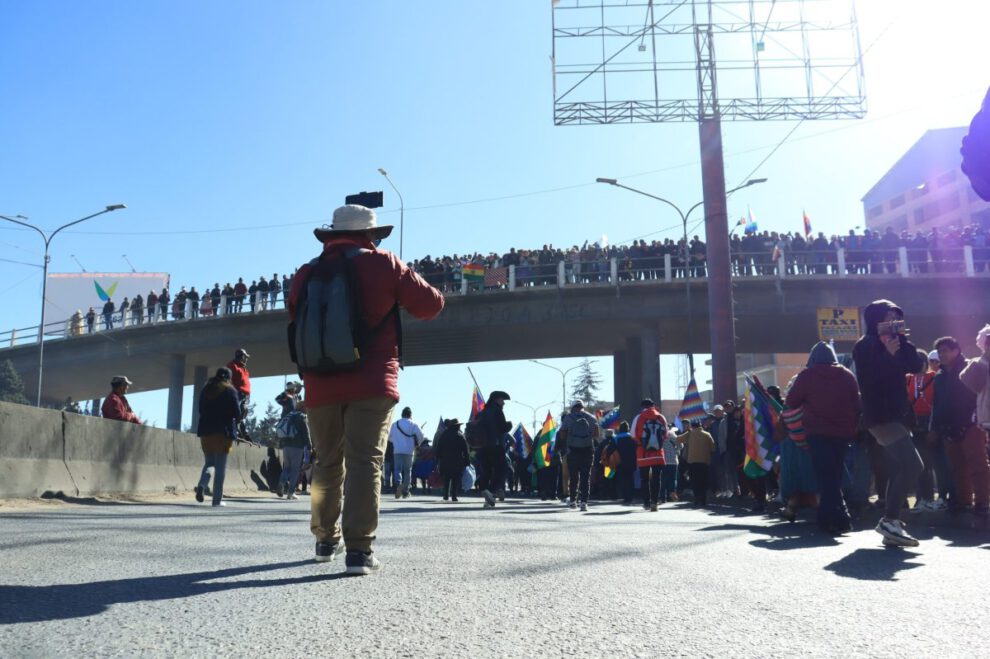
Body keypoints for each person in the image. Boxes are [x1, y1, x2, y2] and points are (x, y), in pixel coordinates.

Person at [287, 204, 444, 574]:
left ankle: (325, 540)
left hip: (320, 384)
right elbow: (431, 305)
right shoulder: (384, 263)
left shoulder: (307, 272)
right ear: (371, 235)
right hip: (373, 380)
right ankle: (359, 550)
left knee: (326, 464)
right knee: (365, 462)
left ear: (331, 234)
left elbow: (295, 316)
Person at [853, 299, 924, 547]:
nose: (892, 321)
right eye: (887, 317)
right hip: (880, 416)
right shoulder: (865, 345)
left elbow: (917, 367)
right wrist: (889, 355)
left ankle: (891, 520)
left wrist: (903, 344)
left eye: (896, 317)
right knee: (913, 465)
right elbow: (869, 380)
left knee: (904, 467)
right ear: (875, 319)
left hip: (897, 414)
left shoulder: (897, 341)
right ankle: (890, 520)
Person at [785, 341, 860, 534]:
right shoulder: (847, 375)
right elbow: (856, 403)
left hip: (817, 433)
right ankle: (836, 519)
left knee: (826, 477)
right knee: (834, 475)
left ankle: (834, 518)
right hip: (843, 433)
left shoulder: (807, 376)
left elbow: (791, 401)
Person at [939, 335, 990, 516]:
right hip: (957, 423)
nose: (941, 355)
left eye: (945, 350)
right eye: (940, 351)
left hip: (973, 421)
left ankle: (982, 502)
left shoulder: (973, 364)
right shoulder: (942, 373)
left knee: (977, 463)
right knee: (959, 465)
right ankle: (966, 501)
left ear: (956, 350)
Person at [194, 367, 241, 507]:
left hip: (206, 432)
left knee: (209, 464)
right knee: (220, 468)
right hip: (223, 433)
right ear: (228, 378)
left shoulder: (206, 390)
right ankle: (217, 500)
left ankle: (203, 484)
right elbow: (237, 413)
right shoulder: (230, 390)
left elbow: (200, 410)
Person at [905, 350, 943, 512]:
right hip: (913, 425)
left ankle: (929, 498)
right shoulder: (908, 378)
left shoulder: (934, 377)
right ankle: (922, 498)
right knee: (919, 464)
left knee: (931, 463)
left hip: (930, 424)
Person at [559, 400, 600, 511]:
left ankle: (573, 501)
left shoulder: (568, 418)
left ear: (573, 408)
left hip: (573, 450)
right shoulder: (591, 418)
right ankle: (584, 503)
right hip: (587, 450)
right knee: (585, 477)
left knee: (574, 477)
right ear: (583, 407)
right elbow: (596, 435)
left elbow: (562, 435)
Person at [477, 390, 512, 508]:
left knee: (486, 471)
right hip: (496, 446)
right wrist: (509, 425)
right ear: (496, 400)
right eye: (502, 400)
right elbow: (502, 428)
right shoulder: (497, 411)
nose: (504, 403)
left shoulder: (482, 412)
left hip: (482, 448)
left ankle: (485, 491)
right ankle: (491, 492)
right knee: (502, 470)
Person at [631, 399, 667, 511]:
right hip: (658, 453)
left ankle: (646, 502)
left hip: (643, 453)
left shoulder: (638, 417)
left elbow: (633, 434)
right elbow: (665, 435)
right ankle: (654, 503)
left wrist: (640, 442)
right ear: (653, 406)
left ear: (642, 407)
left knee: (644, 479)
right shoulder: (661, 417)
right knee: (656, 478)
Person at [676, 420, 715, 507]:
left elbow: (678, 439)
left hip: (692, 462)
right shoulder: (707, 434)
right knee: (704, 481)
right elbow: (713, 447)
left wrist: (688, 432)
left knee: (695, 481)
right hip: (705, 462)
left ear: (692, 426)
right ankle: (703, 500)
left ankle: (697, 499)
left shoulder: (690, 434)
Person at [388, 407, 424, 499]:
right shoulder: (413, 424)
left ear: (402, 414)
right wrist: (417, 444)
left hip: (397, 450)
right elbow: (421, 436)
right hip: (409, 451)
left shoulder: (395, 424)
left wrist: (396, 442)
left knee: (397, 470)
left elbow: (389, 437)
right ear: (410, 415)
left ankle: (398, 484)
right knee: (408, 471)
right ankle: (405, 491)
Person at [277, 409, 312, 500]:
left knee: (286, 468)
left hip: (286, 446)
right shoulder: (302, 417)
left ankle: (281, 482)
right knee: (295, 470)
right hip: (297, 447)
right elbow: (306, 432)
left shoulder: (290, 415)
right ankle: (290, 493)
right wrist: (309, 445)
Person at [435, 418, 470, 502]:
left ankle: (446, 495)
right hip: (457, 461)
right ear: (457, 426)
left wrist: (438, 458)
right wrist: (467, 460)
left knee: (446, 478)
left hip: (445, 460)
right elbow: (465, 449)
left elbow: (439, 448)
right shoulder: (460, 436)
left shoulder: (444, 435)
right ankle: (454, 496)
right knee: (456, 479)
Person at [226, 348, 252, 441]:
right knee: (236, 414)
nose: (247, 359)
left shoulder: (243, 368)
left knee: (242, 414)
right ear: (242, 357)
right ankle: (234, 433)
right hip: (237, 394)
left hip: (245, 396)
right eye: (246, 357)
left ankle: (243, 434)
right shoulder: (232, 366)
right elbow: (227, 380)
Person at [615, 421, 637, 504]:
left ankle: (625, 496)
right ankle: (630, 496)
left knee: (623, 479)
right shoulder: (632, 437)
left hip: (620, 461)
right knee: (631, 478)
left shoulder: (616, 438)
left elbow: (613, 449)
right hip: (631, 461)